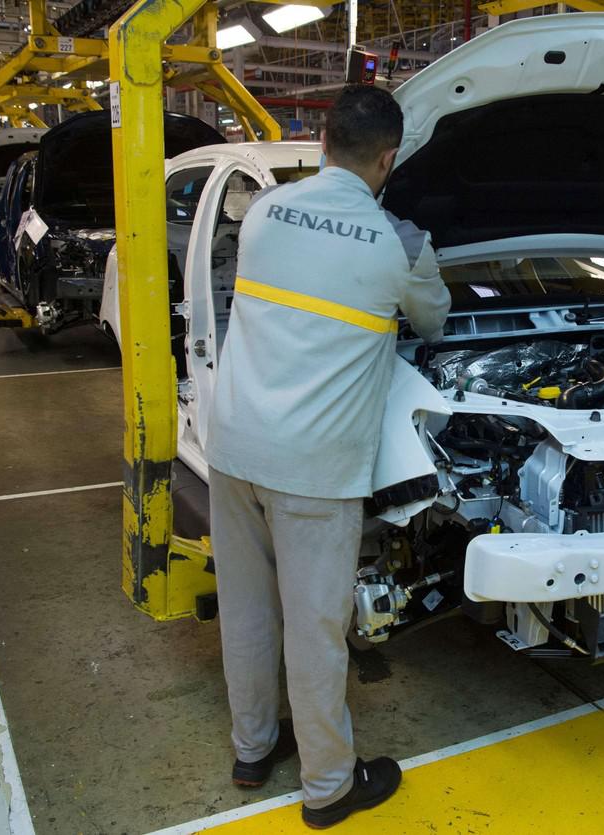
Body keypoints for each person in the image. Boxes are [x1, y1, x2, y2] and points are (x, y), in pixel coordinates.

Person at [205, 85, 451, 827]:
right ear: (388, 159)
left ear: (321, 142)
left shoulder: (264, 212)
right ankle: (329, 787)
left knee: (246, 610)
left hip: (234, 446)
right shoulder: (400, 243)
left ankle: (253, 749)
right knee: (315, 630)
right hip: (314, 468)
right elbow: (433, 322)